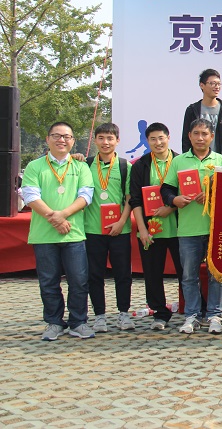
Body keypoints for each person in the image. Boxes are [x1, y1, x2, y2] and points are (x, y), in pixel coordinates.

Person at [21, 122, 95, 340]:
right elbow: (30, 196)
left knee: (79, 281)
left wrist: (62, 215)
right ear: (48, 139)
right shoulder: (35, 166)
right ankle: (54, 322)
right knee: (49, 282)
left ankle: (78, 322)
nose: (61, 140)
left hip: (74, 233)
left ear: (73, 141)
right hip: (43, 235)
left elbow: (86, 196)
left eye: (66, 136)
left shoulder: (81, 167)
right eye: (56, 136)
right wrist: (55, 219)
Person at [161, 118, 222, 335]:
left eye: (204, 134)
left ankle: (215, 315)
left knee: (217, 276)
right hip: (188, 230)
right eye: (196, 134)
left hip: (216, 229)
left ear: (212, 137)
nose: (200, 138)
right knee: (189, 276)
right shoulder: (179, 161)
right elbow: (166, 189)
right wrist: (175, 200)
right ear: (189, 136)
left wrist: (211, 196)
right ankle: (192, 315)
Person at [129, 122, 183, 330]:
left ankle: (192, 310)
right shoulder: (141, 165)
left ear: (168, 138)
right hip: (151, 230)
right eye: (153, 139)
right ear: (147, 141)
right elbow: (135, 200)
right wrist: (141, 229)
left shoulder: (180, 161)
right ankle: (160, 313)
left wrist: (170, 208)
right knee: (152, 274)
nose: (158, 142)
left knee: (186, 274)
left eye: (161, 138)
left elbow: (188, 193)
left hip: (179, 229)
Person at [83, 123, 134, 333]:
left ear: (117, 141)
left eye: (110, 138)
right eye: (101, 138)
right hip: (92, 230)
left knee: (123, 274)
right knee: (94, 275)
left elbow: (129, 198)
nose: (106, 142)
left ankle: (124, 313)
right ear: (95, 140)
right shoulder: (85, 165)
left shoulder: (124, 166)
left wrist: (122, 222)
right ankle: (100, 316)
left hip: (120, 230)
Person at [182, 69, 222, 156]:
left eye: (219, 84)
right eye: (213, 83)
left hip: (221, 159)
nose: (217, 87)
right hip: (197, 159)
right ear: (202, 85)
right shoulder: (192, 110)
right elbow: (186, 139)